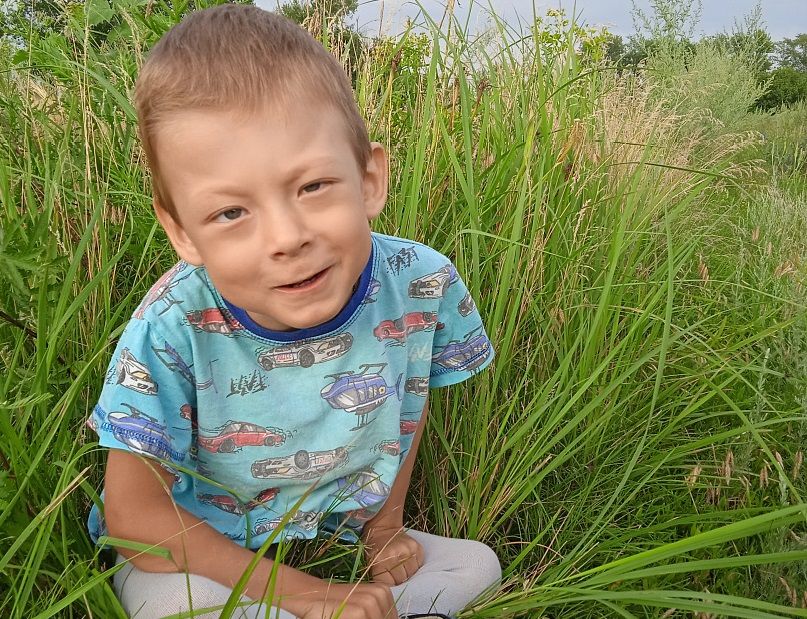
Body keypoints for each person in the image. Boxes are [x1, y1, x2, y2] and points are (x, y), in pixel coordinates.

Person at [86, 4, 500, 618]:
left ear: (369, 179)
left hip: (331, 526)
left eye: (312, 186)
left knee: (477, 566)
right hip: (196, 546)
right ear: (183, 233)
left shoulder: (420, 282)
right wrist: (306, 594)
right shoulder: (172, 324)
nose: (286, 237)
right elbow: (135, 518)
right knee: (176, 606)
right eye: (231, 212)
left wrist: (385, 528)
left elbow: (409, 403)